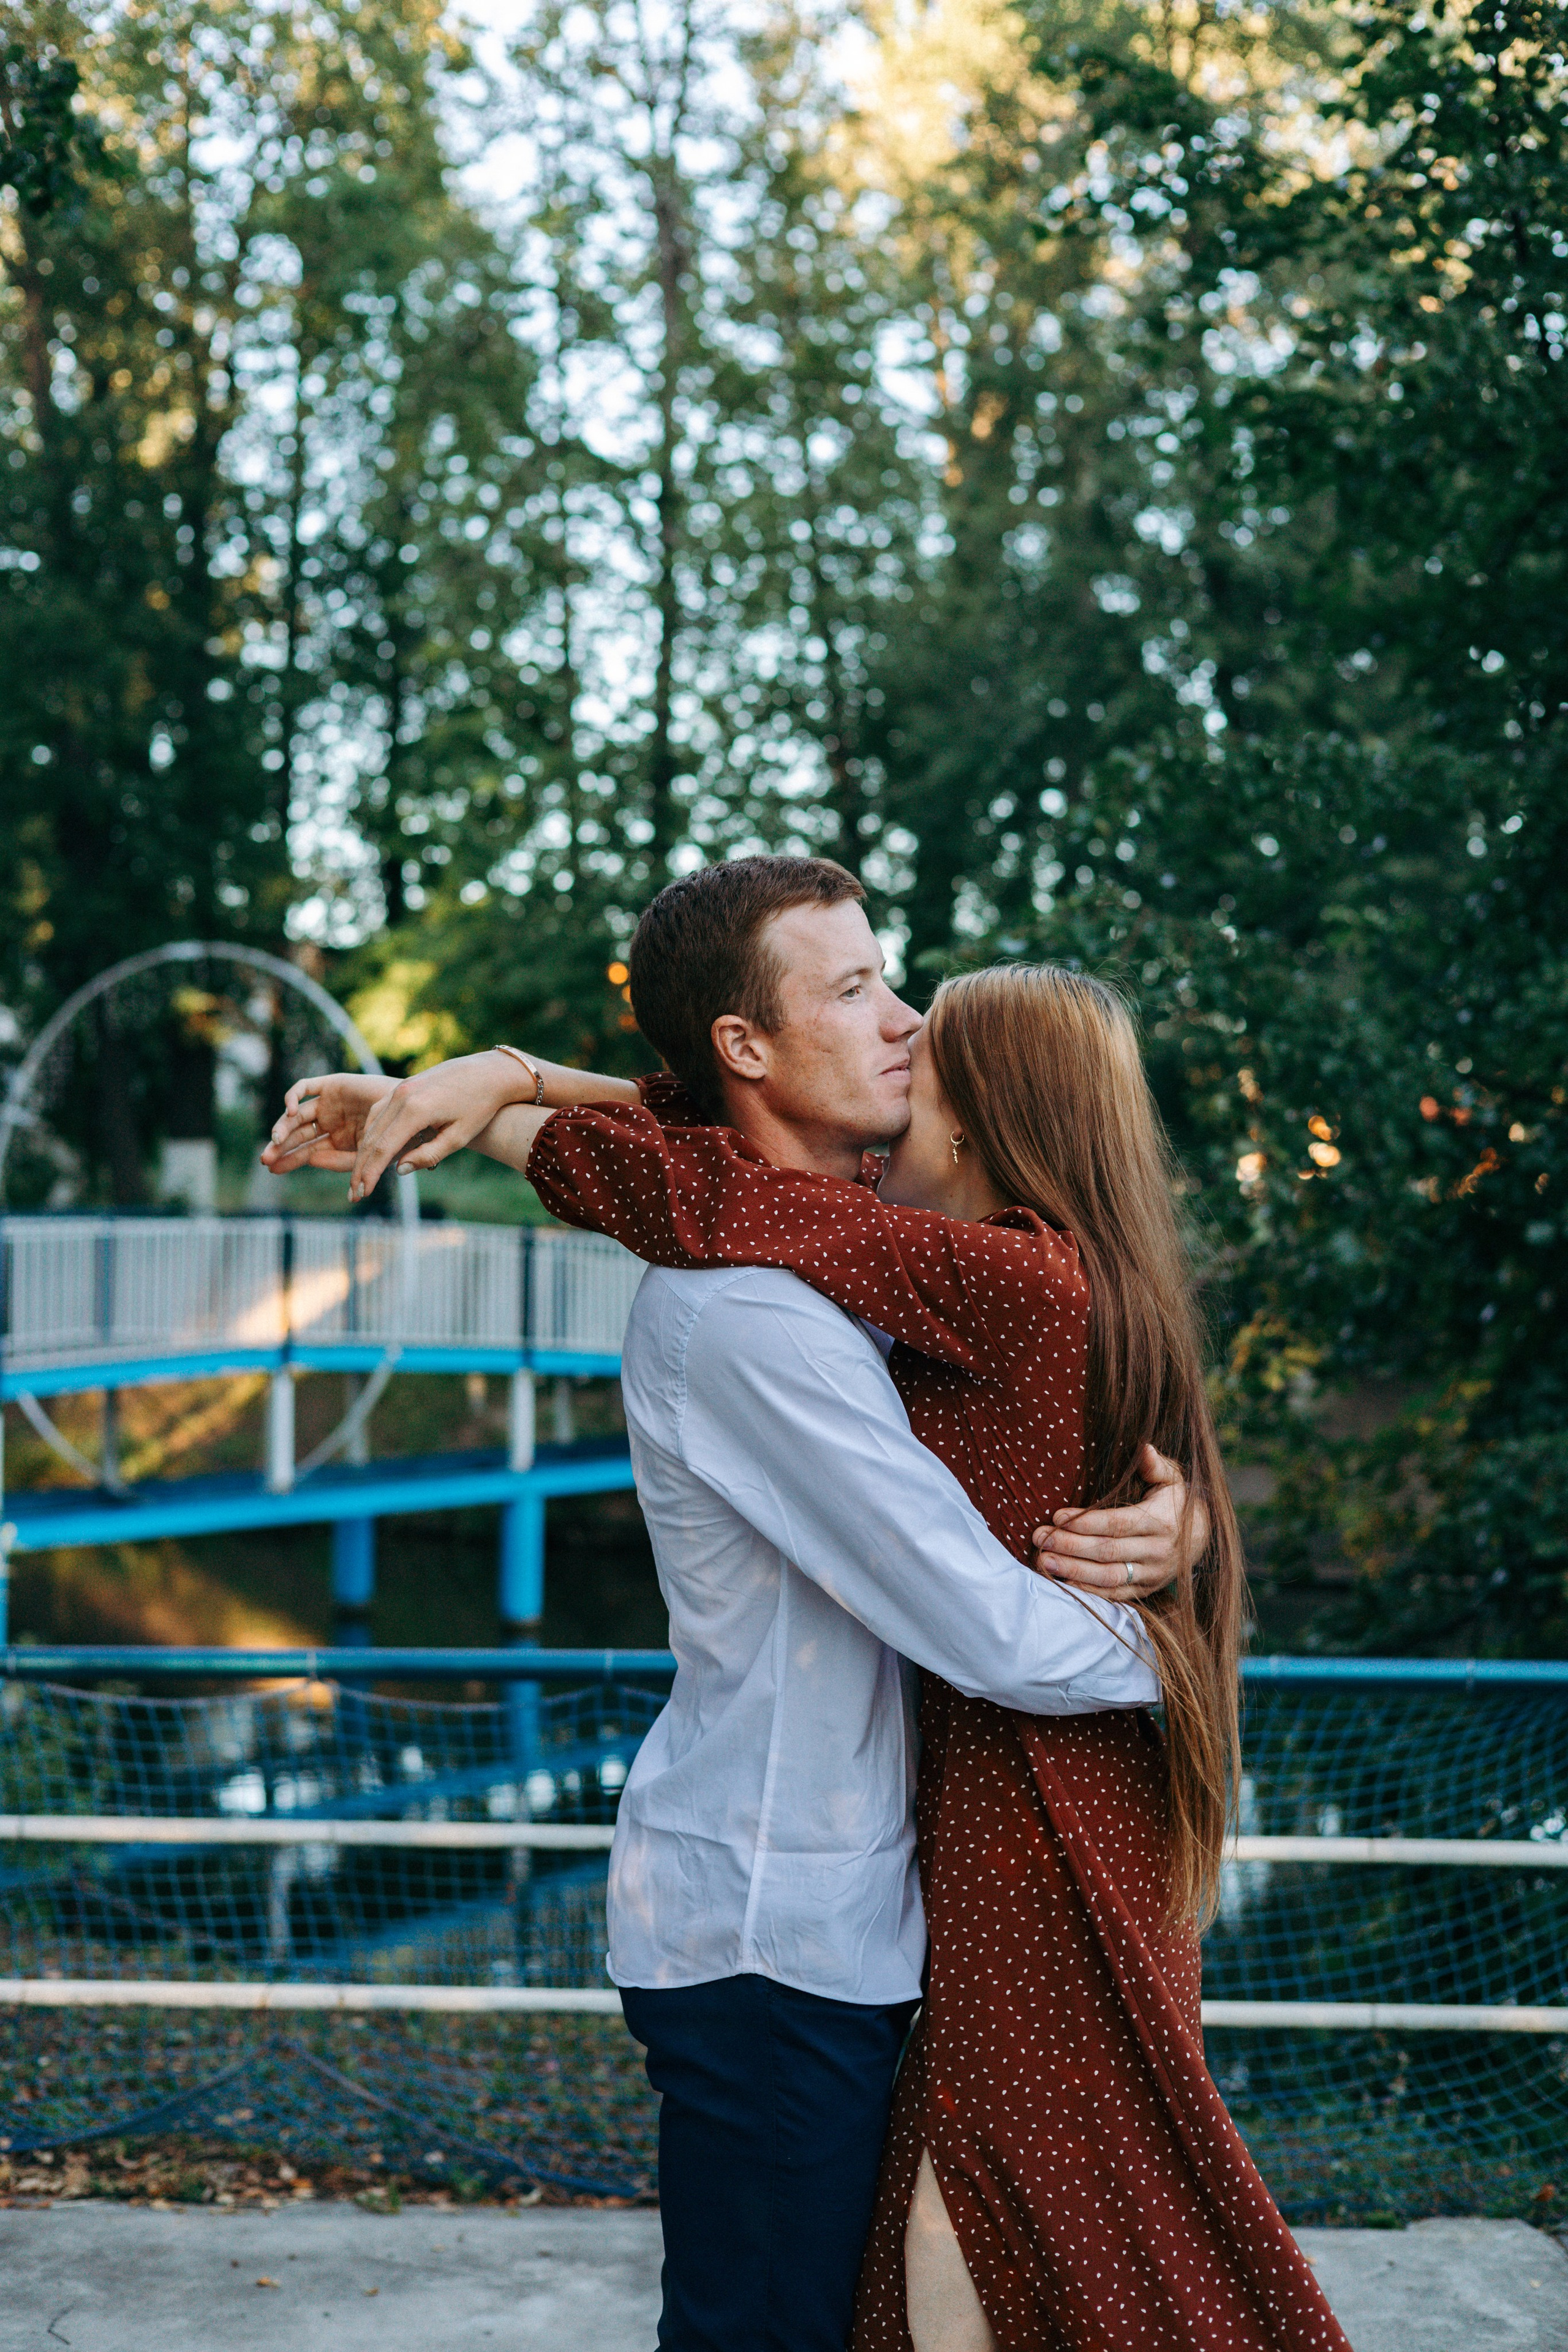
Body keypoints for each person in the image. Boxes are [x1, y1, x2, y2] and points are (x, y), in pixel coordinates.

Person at [265, 856, 1345, 2350]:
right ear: (745, 1047)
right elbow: (987, 1623)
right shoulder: (757, 1309)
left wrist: (1191, 1556)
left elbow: (710, 1167)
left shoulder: (918, 1264)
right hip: (780, 1918)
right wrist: (1175, 1630)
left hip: (881, 1894)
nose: (897, 1024)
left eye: (908, 1006)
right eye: (857, 991)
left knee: (951, 2257)